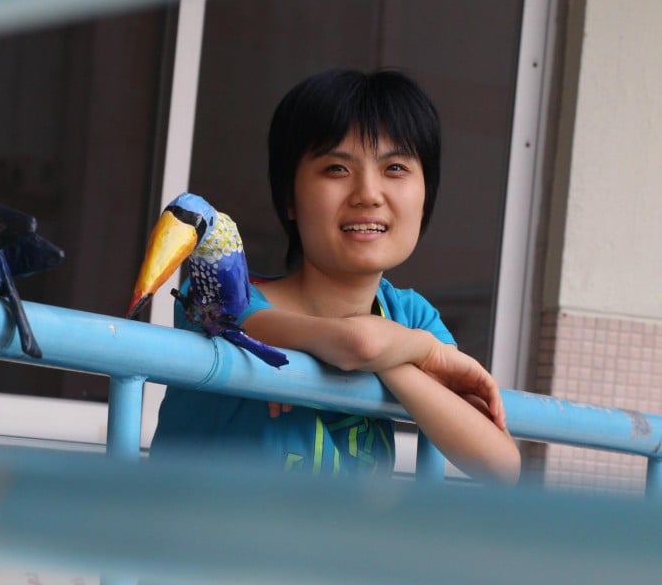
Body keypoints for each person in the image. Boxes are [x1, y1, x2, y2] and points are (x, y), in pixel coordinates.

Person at [150, 68, 521, 485]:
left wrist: (394, 359)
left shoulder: (409, 314)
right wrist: (422, 354)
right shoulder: (220, 295)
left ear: (426, 195)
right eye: (336, 169)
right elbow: (358, 343)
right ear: (289, 197)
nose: (368, 193)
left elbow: (500, 464)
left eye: (395, 168)